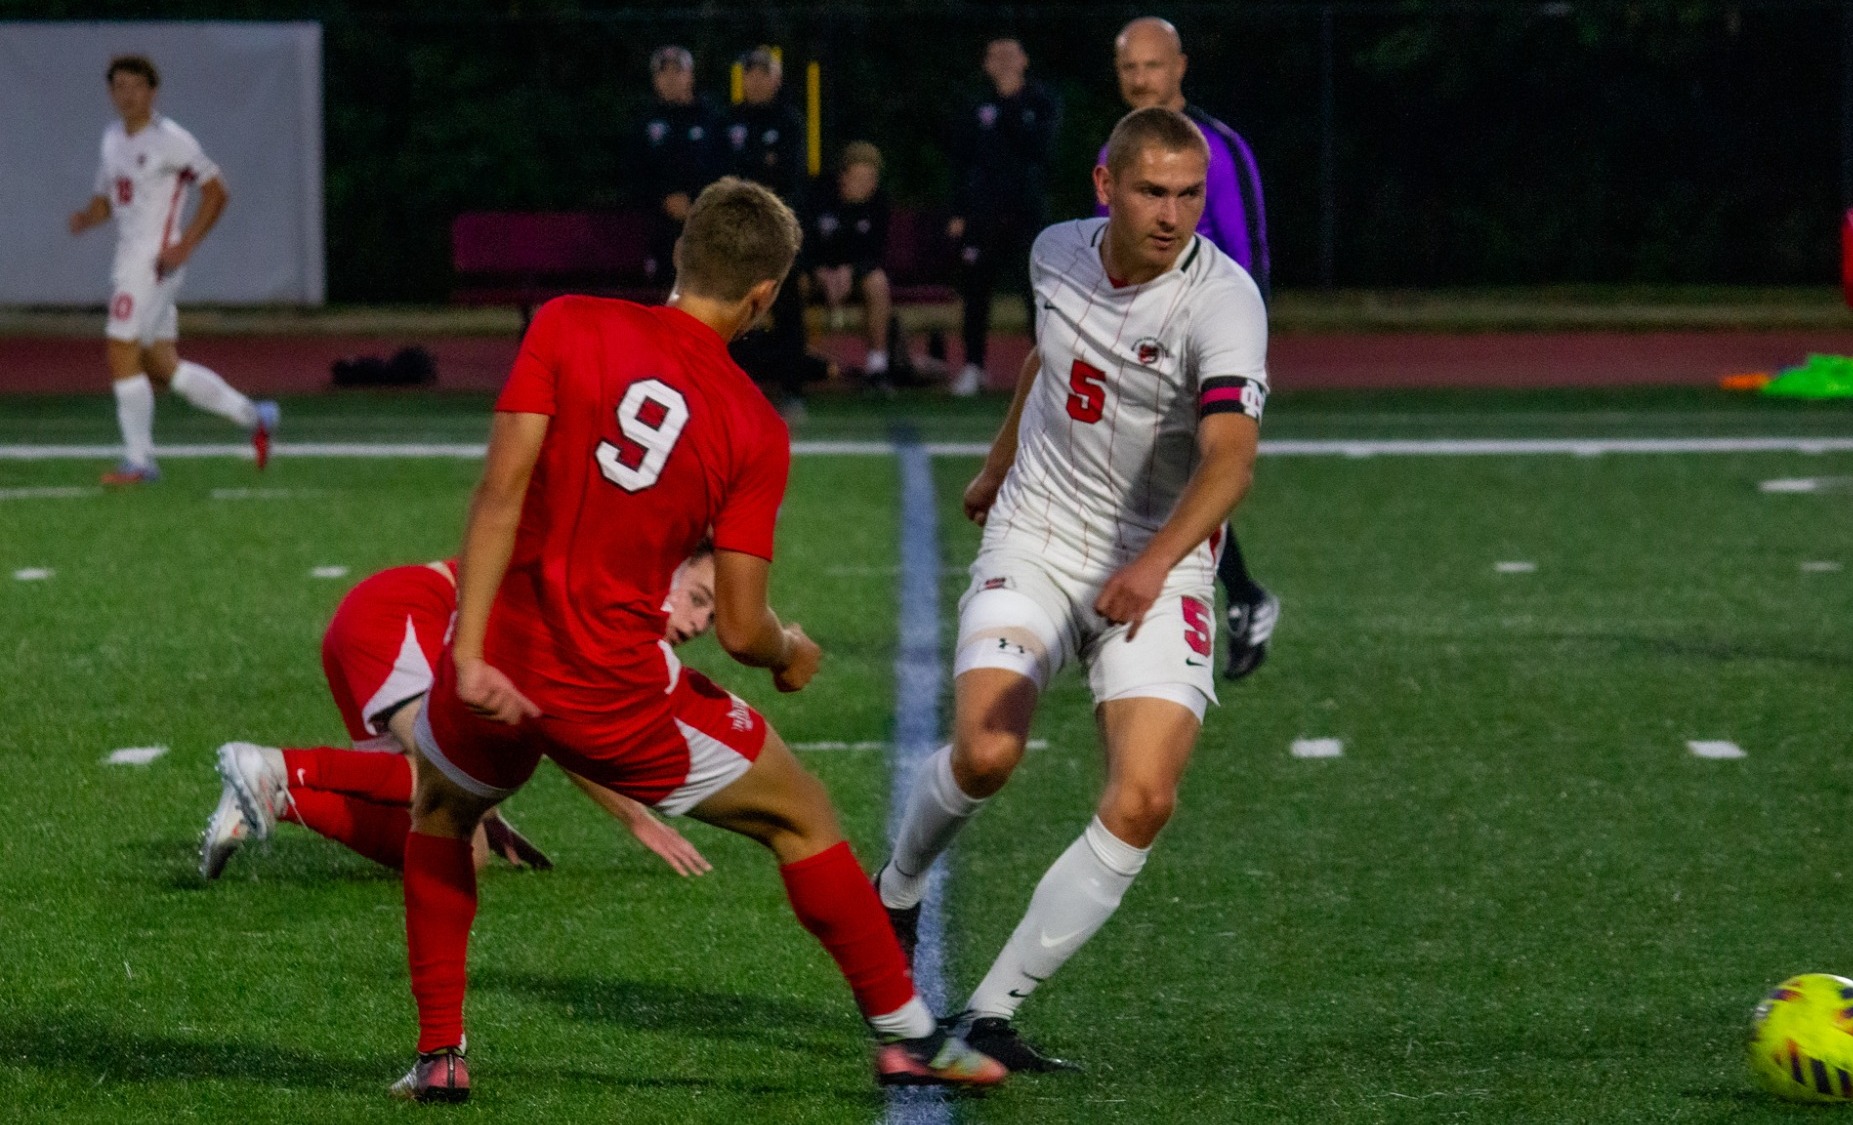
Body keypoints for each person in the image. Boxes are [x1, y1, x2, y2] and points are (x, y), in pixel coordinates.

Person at [388, 178, 1006, 1102]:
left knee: (441, 811)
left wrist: (468, 652)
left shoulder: (563, 322)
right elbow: (746, 623)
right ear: (763, 297)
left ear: (682, 257)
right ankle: (907, 1032)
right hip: (612, 691)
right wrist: (791, 649)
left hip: (501, 658)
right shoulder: (753, 424)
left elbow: (500, 491)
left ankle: (440, 1053)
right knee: (801, 813)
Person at [877, 108, 1267, 1073]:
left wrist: (1150, 563)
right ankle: (896, 885)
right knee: (988, 751)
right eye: (1153, 191)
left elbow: (1229, 465)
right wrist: (995, 462)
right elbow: (1050, 358)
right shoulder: (1055, 252)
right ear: (1105, 187)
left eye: (1190, 195)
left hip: (1160, 561)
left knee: (1143, 796)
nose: (1174, 215)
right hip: (1040, 536)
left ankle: (987, 1013)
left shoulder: (1224, 302)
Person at [197, 550, 721, 880]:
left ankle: (279, 797)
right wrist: (637, 819)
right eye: (697, 598)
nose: (699, 623)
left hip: (380, 625)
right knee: (443, 776)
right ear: (665, 572)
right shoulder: (607, 602)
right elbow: (563, 733)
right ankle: (275, 765)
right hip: (397, 617)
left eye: (713, 616)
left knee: (458, 853)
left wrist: (483, 810)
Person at [1109, 16, 1280, 679]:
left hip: (1200, 341)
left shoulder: (1219, 147)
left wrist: (1243, 344)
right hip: (1133, 340)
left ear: (1179, 66)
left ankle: (1226, 599)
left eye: (1152, 66)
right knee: (1146, 475)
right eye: (1129, 68)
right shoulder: (1115, 148)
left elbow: (1249, 248)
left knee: (1182, 473)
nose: (1141, 79)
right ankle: (1237, 597)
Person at [66, 54, 278, 486]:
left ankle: (140, 461)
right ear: (111, 93)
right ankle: (254, 415)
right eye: (119, 87)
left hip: (153, 262)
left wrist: (185, 244)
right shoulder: (111, 138)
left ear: (152, 92)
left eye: (136, 87)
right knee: (164, 366)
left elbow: (217, 191)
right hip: (129, 259)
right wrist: (88, 217)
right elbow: (110, 198)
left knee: (120, 350)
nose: (127, 95)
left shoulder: (172, 140)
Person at [946, 37, 1060, 398]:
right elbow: (960, 159)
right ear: (986, 64)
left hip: (1025, 212)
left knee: (1035, 292)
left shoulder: (1041, 101)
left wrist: (1012, 104)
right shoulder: (974, 103)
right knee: (976, 290)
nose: (1004, 61)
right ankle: (973, 367)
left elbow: (1040, 150)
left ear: (1024, 59)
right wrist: (958, 210)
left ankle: (1046, 368)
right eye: (996, 55)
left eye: (1011, 54)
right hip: (982, 214)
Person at [720, 48, 812, 417]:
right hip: (736, 231)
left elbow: (789, 179)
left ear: (776, 79)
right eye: (750, 74)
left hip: (776, 231)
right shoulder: (728, 121)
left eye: (763, 74)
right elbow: (721, 173)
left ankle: (793, 390)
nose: (756, 81)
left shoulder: (789, 122)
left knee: (787, 307)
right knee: (734, 307)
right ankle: (734, 386)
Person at [800, 142, 894, 380]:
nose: (867, 185)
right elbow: (800, 244)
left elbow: (876, 252)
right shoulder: (818, 195)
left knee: (878, 282)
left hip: (855, 277)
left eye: (871, 178)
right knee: (794, 284)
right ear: (843, 177)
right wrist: (819, 271)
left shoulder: (879, 203)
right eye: (860, 178)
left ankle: (877, 368)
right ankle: (796, 360)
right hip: (816, 274)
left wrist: (850, 271)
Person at [633, 45, 721, 291]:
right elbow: (636, 174)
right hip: (659, 226)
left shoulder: (711, 119)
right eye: (664, 72)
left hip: (704, 222)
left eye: (677, 71)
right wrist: (664, 200)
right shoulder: (645, 123)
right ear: (655, 79)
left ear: (690, 76)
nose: (671, 78)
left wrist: (695, 201)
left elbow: (721, 167)